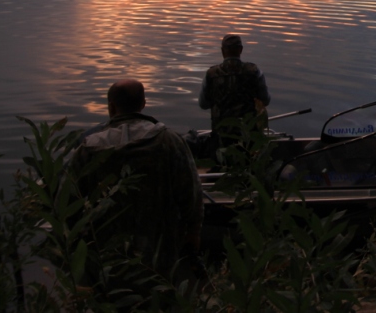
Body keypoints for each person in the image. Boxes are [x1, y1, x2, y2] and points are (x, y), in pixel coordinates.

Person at [69, 79, 203, 281]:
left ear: (111, 107)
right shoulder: (170, 141)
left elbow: (70, 202)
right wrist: (193, 233)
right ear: (143, 104)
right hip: (160, 252)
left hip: (106, 253)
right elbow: (191, 193)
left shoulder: (88, 149)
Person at [199, 34, 271, 141]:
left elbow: (203, 104)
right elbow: (265, 100)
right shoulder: (254, 72)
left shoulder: (211, 74)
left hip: (220, 137)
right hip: (248, 137)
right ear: (240, 50)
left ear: (222, 51)